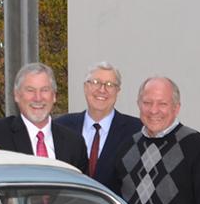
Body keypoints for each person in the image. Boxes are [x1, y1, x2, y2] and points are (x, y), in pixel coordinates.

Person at [0, 63, 88, 172]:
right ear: (16, 95)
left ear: (54, 96)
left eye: (44, 90)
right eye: (30, 90)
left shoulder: (74, 142)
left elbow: (83, 195)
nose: (38, 98)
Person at [53, 62, 143, 193]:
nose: (102, 90)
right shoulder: (61, 126)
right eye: (95, 82)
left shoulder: (136, 131)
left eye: (110, 85)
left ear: (118, 91)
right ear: (85, 87)